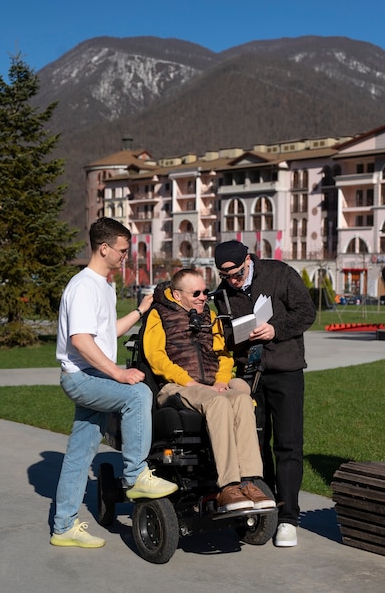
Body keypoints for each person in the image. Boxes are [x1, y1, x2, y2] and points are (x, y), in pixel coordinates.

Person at [51, 218, 177, 549]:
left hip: (92, 376)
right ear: (103, 248)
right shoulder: (83, 286)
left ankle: (63, 527)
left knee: (80, 454)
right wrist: (118, 374)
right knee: (138, 394)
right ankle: (135, 476)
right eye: (122, 250)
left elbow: (104, 335)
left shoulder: (105, 286)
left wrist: (139, 310)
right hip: (81, 378)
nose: (125, 256)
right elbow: (80, 340)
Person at [143, 268, 276, 513]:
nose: (203, 297)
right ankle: (228, 485)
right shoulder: (158, 315)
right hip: (177, 387)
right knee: (219, 403)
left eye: (205, 292)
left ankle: (249, 480)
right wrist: (189, 382)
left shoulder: (210, 316)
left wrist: (222, 381)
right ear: (177, 294)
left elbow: (223, 355)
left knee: (243, 399)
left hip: (211, 386)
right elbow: (156, 357)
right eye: (196, 293)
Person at [213, 240, 316, 547]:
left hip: (286, 371)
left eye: (238, 273)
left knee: (287, 445)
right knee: (254, 446)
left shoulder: (279, 274)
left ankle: (288, 518)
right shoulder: (222, 294)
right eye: (225, 276)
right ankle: (264, 509)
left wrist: (275, 329)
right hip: (250, 374)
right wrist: (237, 334)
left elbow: (306, 312)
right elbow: (226, 337)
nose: (233, 281)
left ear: (248, 260)